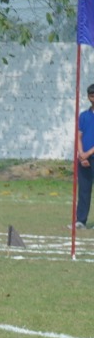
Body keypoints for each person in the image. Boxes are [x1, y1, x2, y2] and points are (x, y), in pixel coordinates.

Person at [77, 83, 94, 230]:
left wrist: (88, 154)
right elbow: (79, 136)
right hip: (84, 160)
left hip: (91, 155)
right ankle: (81, 220)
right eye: (91, 95)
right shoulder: (84, 116)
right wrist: (81, 155)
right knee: (84, 190)